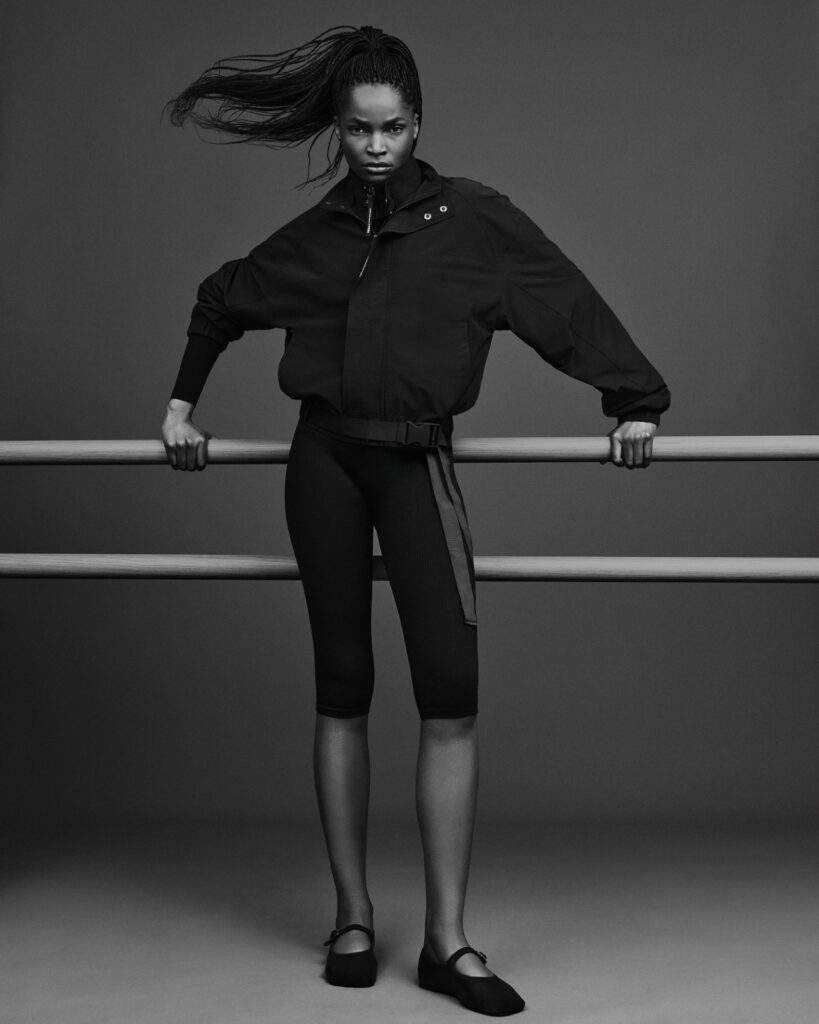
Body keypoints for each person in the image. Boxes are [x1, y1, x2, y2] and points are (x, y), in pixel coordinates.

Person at [160, 24, 670, 1016]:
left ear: (419, 123)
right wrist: (181, 409)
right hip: (323, 464)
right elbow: (220, 301)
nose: (375, 146)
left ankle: (447, 943)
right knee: (342, 686)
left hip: (414, 465)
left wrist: (634, 401)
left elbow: (564, 303)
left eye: (392, 128)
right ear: (339, 130)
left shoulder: (475, 221)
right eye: (358, 130)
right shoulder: (314, 238)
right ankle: (351, 919)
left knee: (450, 693)